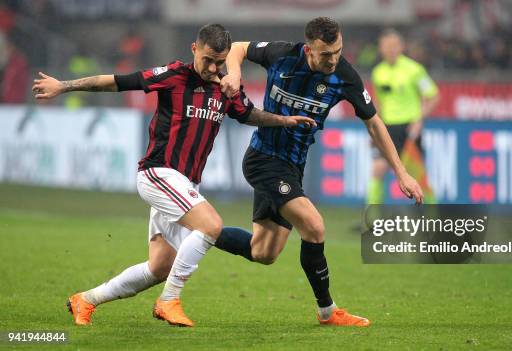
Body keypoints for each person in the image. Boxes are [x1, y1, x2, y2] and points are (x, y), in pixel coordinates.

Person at [32, 24, 315, 327]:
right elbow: (116, 82)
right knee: (211, 225)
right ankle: (168, 301)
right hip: (159, 173)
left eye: (220, 61)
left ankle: (85, 300)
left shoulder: (225, 86)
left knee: (160, 266)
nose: (214, 67)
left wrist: (283, 120)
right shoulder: (173, 75)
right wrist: (65, 85)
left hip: (183, 184)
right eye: (208, 59)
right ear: (195, 49)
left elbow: (247, 114)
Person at [216, 17, 424, 327]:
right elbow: (237, 48)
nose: (333, 59)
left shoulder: (344, 75)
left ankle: (201, 230)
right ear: (309, 49)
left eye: (338, 51)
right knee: (314, 226)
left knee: (263, 252)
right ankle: (327, 310)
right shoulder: (282, 55)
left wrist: (401, 172)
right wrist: (233, 73)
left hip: (292, 168)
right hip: (263, 159)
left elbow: (373, 123)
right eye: (326, 54)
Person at [367, 29, 439, 205]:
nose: (390, 49)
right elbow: (378, 103)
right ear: (381, 48)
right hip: (387, 129)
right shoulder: (378, 72)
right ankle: (371, 219)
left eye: (394, 45)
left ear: (401, 47)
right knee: (377, 170)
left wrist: (419, 120)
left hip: (409, 129)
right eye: (386, 46)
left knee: (417, 177)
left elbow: (433, 96)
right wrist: (374, 130)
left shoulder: (414, 70)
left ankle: (434, 215)